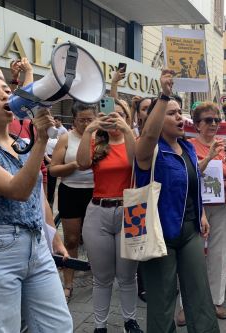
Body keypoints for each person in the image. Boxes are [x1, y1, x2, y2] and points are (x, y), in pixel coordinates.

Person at [0, 73, 72, 332]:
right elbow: (17, 190)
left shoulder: (22, 144)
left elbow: (38, 196)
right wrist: (41, 141)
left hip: (37, 246)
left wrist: (54, 238)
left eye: (6, 89)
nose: (5, 94)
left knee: (58, 326)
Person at [135, 70, 219, 333]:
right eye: (171, 113)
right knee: (162, 299)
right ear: (156, 119)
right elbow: (149, 135)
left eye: (179, 112)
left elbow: (193, 185)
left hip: (190, 230)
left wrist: (202, 214)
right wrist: (164, 96)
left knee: (199, 293)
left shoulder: (190, 148)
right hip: (158, 235)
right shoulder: (148, 149)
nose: (180, 117)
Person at [76, 98, 143, 333]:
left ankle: (129, 321)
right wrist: (89, 131)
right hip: (98, 211)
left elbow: (139, 163)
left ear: (127, 117)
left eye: (120, 115)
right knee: (101, 277)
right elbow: (82, 163)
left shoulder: (133, 141)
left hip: (132, 210)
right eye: (109, 114)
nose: (113, 118)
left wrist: (127, 130)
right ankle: (100, 326)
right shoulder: (96, 142)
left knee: (128, 275)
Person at [176, 102, 226, 323]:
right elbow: (189, 174)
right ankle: (187, 304)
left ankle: (216, 300)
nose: (213, 124)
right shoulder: (188, 146)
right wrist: (209, 156)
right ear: (196, 124)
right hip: (195, 207)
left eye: (216, 120)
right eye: (208, 120)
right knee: (189, 256)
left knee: (219, 253)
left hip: (223, 206)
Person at [49, 102, 97, 303]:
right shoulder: (66, 138)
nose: (85, 124)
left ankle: (98, 277)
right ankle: (68, 283)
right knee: (71, 239)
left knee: (95, 239)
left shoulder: (101, 137)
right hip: (71, 191)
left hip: (96, 192)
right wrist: (74, 165)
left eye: (89, 119)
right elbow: (53, 169)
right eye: (81, 120)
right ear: (74, 119)